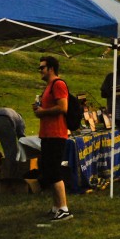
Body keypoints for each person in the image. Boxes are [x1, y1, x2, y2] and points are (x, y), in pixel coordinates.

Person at [32, 56, 71, 221]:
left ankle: (64, 208)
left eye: (42, 67)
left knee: (54, 171)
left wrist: (43, 112)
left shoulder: (58, 84)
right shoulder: (48, 86)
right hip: (47, 134)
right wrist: (39, 109)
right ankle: (56, 207)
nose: (40, 70)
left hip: (56, 134)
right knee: (48, 170)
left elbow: (63, 107)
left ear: (51, 69)